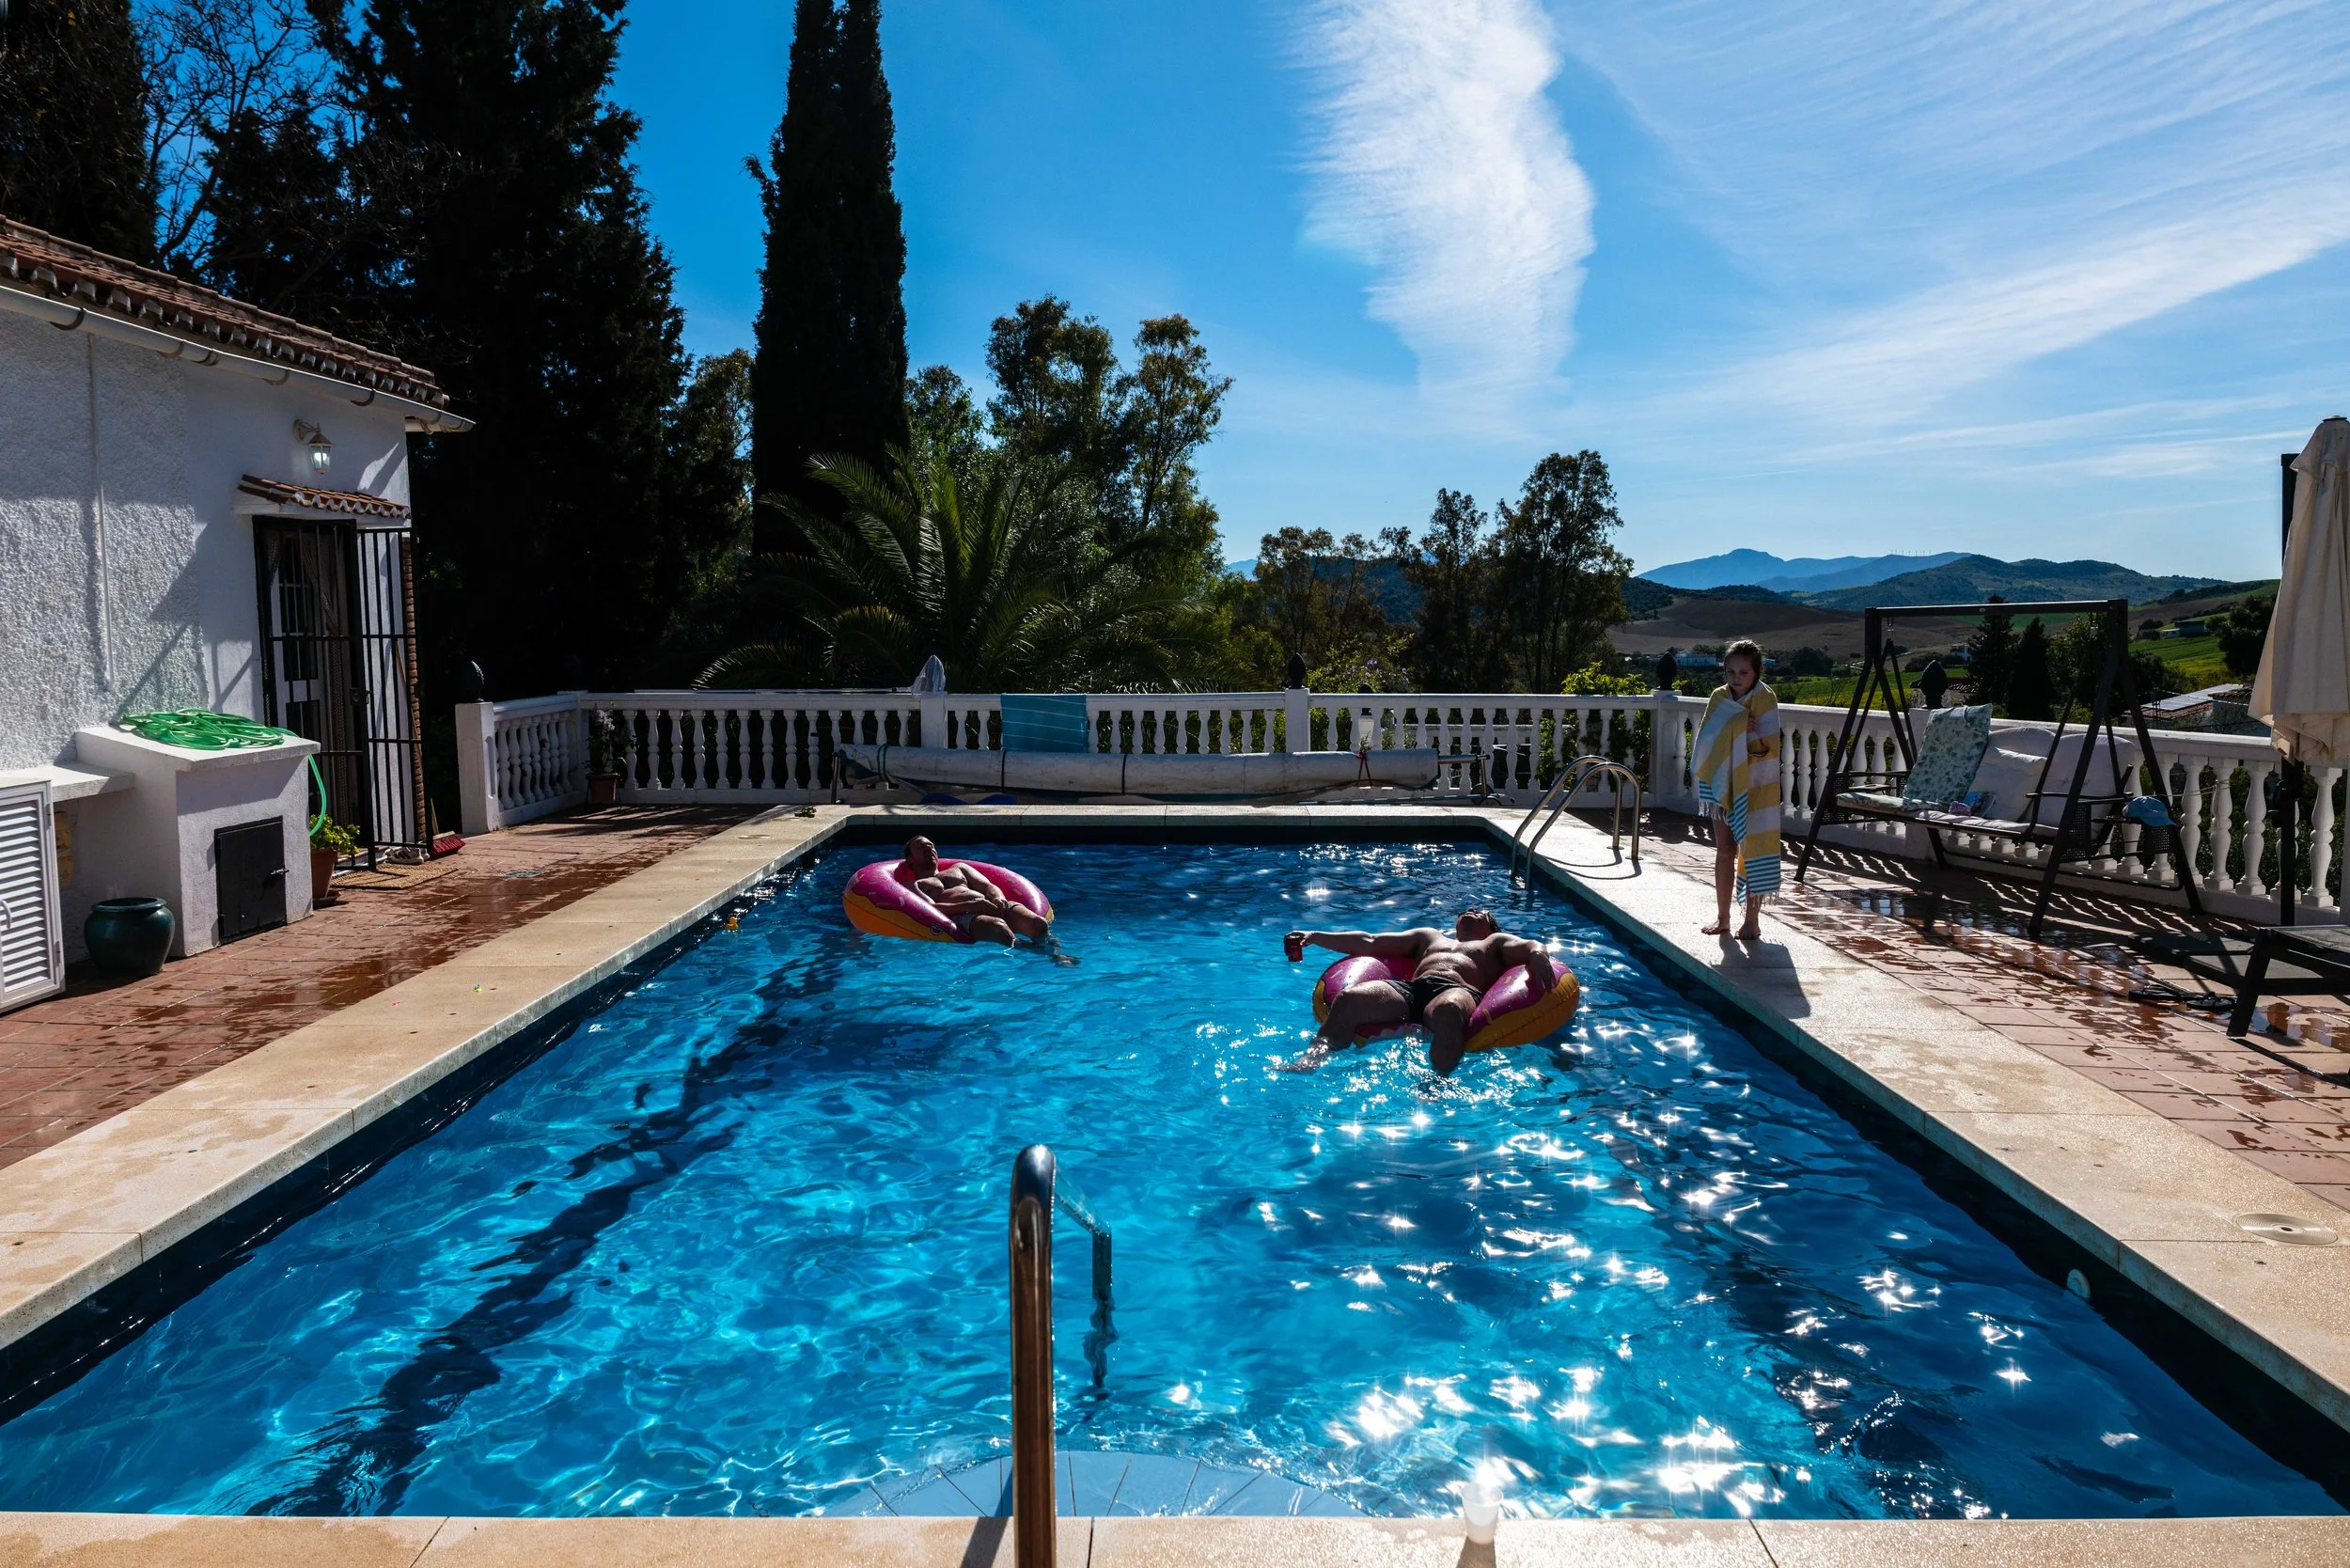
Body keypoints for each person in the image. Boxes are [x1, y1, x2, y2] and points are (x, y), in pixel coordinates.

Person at [1281, 911, 1556, 1075]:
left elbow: (1530, 946)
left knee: (1448, 1011)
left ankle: (1436, 1083)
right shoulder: (1430, 936)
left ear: (1491, 927)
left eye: (1478, 911)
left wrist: (1539, 953)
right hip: (1411, 990)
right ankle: (1311, 1060)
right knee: (1350, 999)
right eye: (1466, 910)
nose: (1470, 911)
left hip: (1457, 989)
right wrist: (1316, 936)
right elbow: (1370, 941)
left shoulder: (1495, 942)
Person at [1692, 638, 1781, 941]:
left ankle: (1752, 921)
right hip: (1722, 785)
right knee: (1724, 850)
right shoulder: (1718, 698)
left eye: (1743, 672)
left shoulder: (1766, 699)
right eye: (1731, 671)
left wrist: (1749, 734)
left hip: (1756, 785)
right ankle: (1723, 918)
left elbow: (1770, 747)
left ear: (1756, 672)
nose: (1736, 678)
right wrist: (1735, 728)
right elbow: (1705, 741)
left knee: (1753, 849)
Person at [897, 836, 1049, 948]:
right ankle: (1037, 955)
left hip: (991, 905)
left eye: (931, 846)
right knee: (998, 927)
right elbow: (929, 910)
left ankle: (1056, 955)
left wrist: (998, 898)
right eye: (921, 847)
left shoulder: (959, 868)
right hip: (964, 916)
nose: (929, 848)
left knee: (1038, 924)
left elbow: (989, 887)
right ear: (910, 859)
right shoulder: (913, 884)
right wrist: (969, 906)